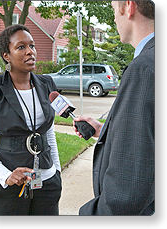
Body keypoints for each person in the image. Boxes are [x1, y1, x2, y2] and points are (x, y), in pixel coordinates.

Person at [73, 1, 154, 215]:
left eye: (112, 8)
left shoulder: (144, 69)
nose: (114, 18)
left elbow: (126, 192)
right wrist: (104, 130)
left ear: (129, 6)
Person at [0, 24, 61, 215]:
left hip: (48, 185)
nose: (30, 51)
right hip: (9, 187)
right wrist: (6, 176)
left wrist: (57, 172)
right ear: (6, 55)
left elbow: (48, 131)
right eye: (21, 47)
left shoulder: (46, 84)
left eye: (32, 46)